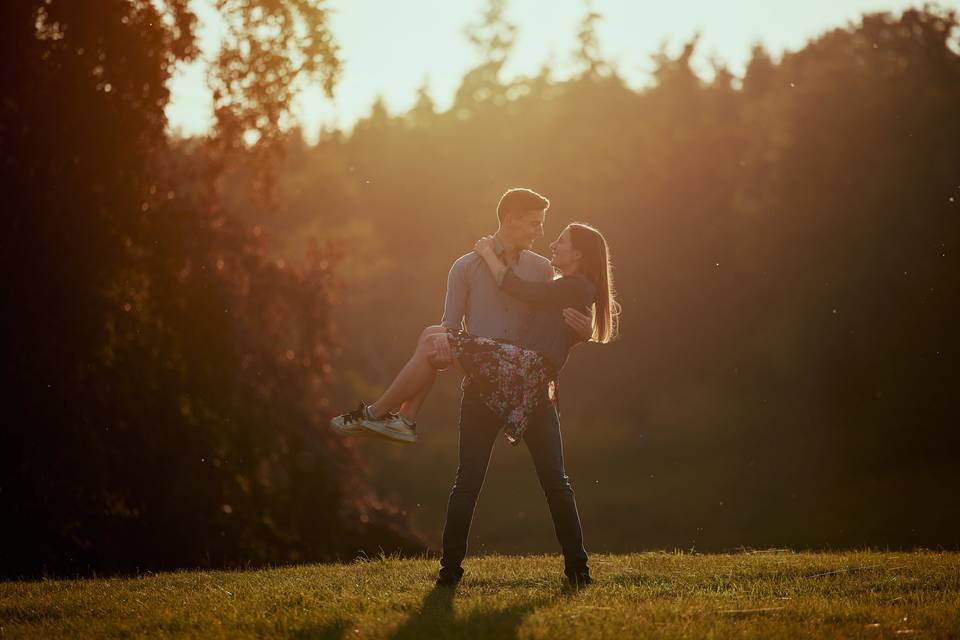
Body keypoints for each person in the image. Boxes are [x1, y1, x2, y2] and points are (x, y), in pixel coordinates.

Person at [331, 188, 619, 587]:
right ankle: (449, 572)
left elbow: (559, 309)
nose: (542, 233)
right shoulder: (464, 268)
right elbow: (455, 324)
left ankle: (388, 417)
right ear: (511, 218)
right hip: (484, 382)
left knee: (556, 482)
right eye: (535, 223)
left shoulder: (541, 271)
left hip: (529, 384)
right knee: (466, 480)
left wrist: (587, 331)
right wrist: (453, 351)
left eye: (549, 229)